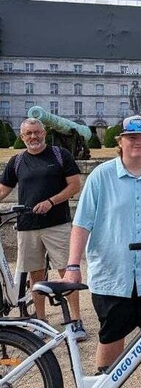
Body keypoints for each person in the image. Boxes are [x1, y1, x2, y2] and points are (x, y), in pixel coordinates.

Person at [63, 115, 141, 388]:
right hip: (112, 273)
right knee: (111, 337)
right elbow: (82, 224)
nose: (138, 142)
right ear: (120, 142)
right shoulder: (101, 176)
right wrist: (73, 265)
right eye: (132, 137)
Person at [0, 118, 85, 338]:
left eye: (37, 132)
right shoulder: (17, 161)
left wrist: (51, 201)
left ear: (44, 133)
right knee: (34, 274)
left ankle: (75, 320)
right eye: (28, 134)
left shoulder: (59, 155)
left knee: (67, 272)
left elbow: (75, 185)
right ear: (22, 137)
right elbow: (3, 190)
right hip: (27, 226)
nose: (33, 137)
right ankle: (40, 321)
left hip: (57, 224)